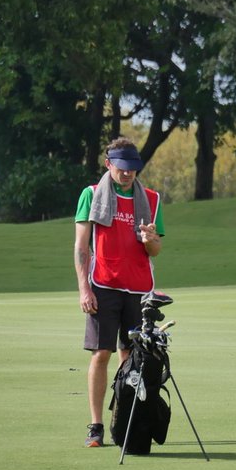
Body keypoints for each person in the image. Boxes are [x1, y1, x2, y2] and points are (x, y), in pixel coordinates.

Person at [73, 138, 165, 447]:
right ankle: (96, 425)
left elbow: (155, 250)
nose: (127, 174)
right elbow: (81, 247)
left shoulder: (151, 199)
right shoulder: (90, 195)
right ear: (109, 164)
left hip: (138, 290)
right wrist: (84, 289)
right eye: (121, 168)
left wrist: (149, 238)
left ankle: (126, 422)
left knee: (132, 357)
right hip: (103, 285)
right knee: (102, 354)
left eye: (133, 169)